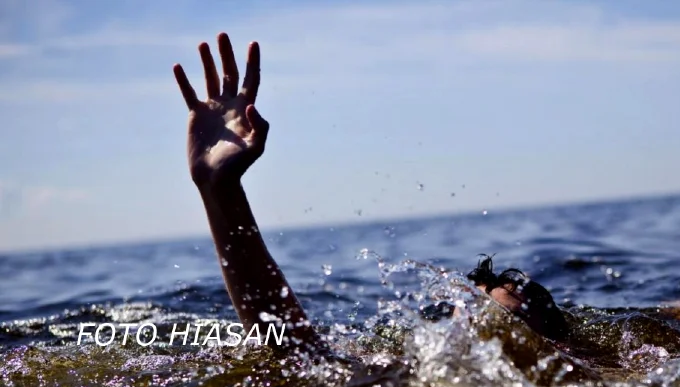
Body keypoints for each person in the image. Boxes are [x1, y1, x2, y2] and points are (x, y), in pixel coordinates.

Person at [172, 33, 569, 359]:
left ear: (556, 346)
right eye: (474, 310)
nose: (479, 319)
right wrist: (220, 190)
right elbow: (294, 351)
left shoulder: (576, 382)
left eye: (504, 315)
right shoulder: (397, 375)